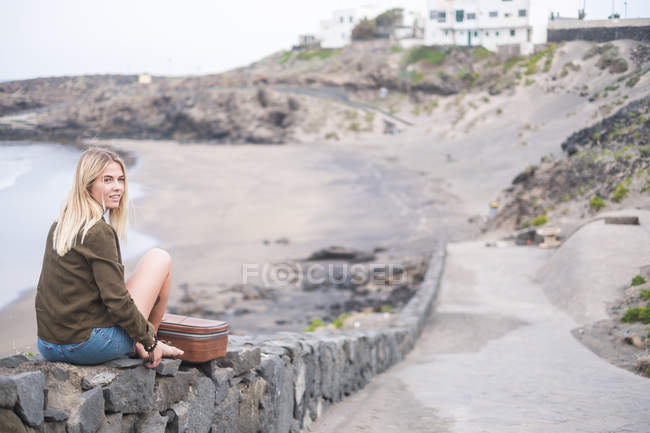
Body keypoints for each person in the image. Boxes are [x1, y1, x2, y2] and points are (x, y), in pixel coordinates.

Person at [35, 147, 183, 368]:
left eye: (121, 180)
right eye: (108, 180)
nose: (118, 188)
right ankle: (149, 343)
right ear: (88, 184)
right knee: (160, 258)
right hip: (86, 347)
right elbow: (117, 301)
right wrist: (149, 341)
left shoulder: (60, 225)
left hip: (47, 345)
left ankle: (146, 338)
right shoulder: (98, 231)